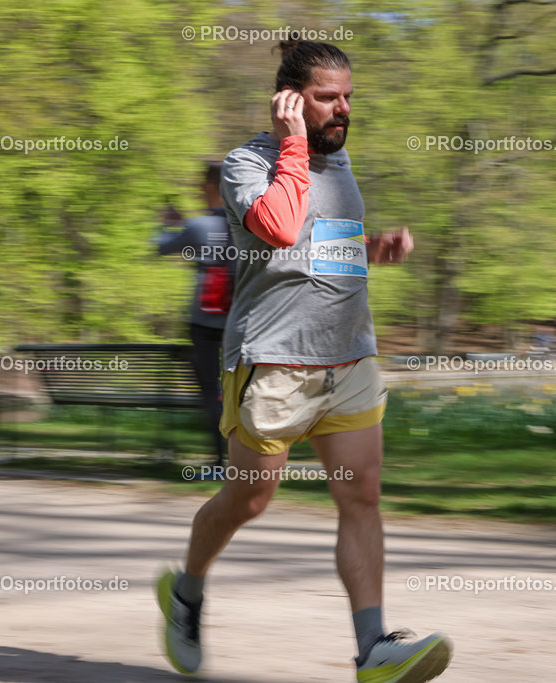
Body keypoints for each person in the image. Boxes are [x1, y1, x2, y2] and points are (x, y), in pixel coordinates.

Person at [156, 38, 452, 682]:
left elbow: (317, 245)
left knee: (362, 497)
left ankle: (372, 648)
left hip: (348, 356)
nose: (342, 109)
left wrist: (372, 248)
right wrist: (293, 141)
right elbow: (280, 228)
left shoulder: (340, 164)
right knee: (249, 499)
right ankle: (186, 593)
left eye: (348, 97)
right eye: (327, 98)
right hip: (273, 359)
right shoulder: (246, 165)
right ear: (289, 100)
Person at [157, 162, 233, 468]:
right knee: (237, 390)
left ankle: (218, 461)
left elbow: (160, 247)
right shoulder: (247, 226)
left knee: (211, 391)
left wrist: (166, 225)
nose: (198, 191)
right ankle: (247, 459)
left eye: (201, 186)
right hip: (240, 322)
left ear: (212, 187)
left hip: (203, 323)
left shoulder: (198, 226)